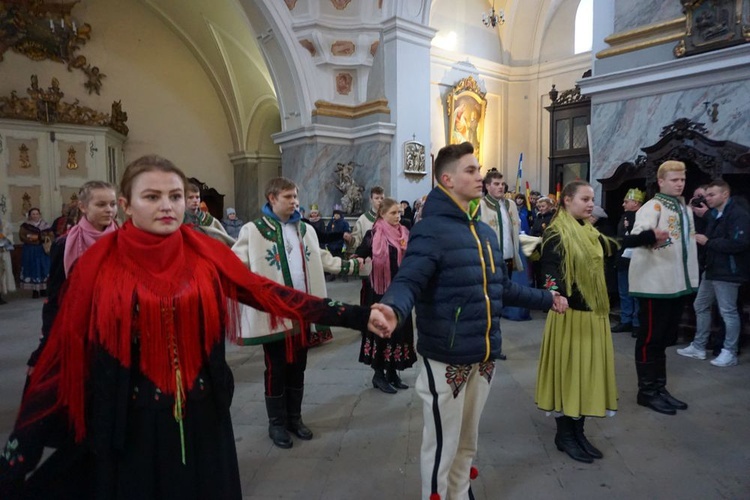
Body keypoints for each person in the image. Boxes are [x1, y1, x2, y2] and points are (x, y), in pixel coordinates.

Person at [0, 156, 391, 499]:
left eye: (174, 196)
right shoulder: (97, 265)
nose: (167, 206)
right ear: (126, 205)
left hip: (204, 416)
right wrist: (17, 458)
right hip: (133, 422)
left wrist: (356, 316)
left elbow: (272, 294)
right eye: (151, 197)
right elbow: (63, 353)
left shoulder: (206, 254)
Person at [373, 142, 566, 500]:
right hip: (447, 354)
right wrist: (392, 308)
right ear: (447, 179)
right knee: (442, 442)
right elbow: (408, 281)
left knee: (467, 439)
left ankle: (460, 492)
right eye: (471, 170)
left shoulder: (484, 232)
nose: (480, 176)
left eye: (479, 169)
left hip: (484, 351)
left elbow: (501, 287)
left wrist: (546, 297)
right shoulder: (431, 230)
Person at [231, 177, 368, 449]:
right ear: (272, 198)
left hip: (305, 313)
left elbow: (322, 258)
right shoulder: (254, 230)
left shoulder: (306, 230)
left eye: (295, 196)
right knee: (276, 368)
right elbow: (233, 263)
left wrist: (353, 267)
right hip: (274, 314)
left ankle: (295, 418)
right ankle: (277, 424)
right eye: (288, 197)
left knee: (299, 367)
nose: (295, 201)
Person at [536, 180, 618, 464]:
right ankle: (565, 435)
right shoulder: (556, 233)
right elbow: (548, 269)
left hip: (594, 315)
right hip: (569, 316)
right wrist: (554, 293)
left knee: (587, 376)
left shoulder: (590, 231)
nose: (590, 203)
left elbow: (614, 246)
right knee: (570, 376)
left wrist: (645, 238)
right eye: (584, 199)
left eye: (592, 199)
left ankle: (579, 432)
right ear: (567, 201)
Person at [624, 160, 699, 415]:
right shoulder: (652, 206)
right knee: (649, 338)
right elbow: (636, 236)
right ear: (661, 182)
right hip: (654, 283)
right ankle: (646, 391)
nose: (680, 184)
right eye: (675, 180)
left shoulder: (683, 208)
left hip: (675, 283)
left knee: (664, 339)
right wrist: (651, 237)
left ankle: (659, 387)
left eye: (682, 180)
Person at [26, 181, 119, 370]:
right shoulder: (64, 245)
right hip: (77, 329)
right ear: (82, 206)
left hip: (116, 330)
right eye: (101, 205)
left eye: (113, 204)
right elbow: (54, 298)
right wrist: (44, 347)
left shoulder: (124, 242)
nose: (109, 210)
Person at [677, 179, 750, 367]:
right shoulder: (717, 214)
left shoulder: (738, 214)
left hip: (728, 271)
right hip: (712, 269)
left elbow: (739, 243)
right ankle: (699, 346)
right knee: (700, 305)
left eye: (711, 195)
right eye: (706, 195)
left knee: (728, 312)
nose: (707, 198)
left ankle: (729, 351)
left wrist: (707, 242)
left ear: (724, 194)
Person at [356, 198, 417, 394]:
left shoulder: (405, 233)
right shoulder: (373, 234)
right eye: (393, 213)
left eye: (399, 212)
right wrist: (357, 259)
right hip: (380, 294)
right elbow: (360, 253)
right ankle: (378, 375)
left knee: (399, 331)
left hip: (401, 293)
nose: (398, 216)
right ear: (382, 214)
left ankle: (392, 372)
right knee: (382, 332)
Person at [612, 188, 645, 334]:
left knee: (636, 294)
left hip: (637, 261)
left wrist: (630, 228)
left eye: (627, 201)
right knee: (624, 292)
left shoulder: (643, 217)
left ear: (636, 203)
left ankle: (637, 323)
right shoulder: (623, 216)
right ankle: (626, 320)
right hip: (623, 261)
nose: (623, 204)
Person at [19, 208, 54, 298]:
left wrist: (41, 237)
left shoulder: (45, 225)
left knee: (43, 268)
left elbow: (51, 235)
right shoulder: (25, 226)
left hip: (42, 250)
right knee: (33, 268)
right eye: (33, 214)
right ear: (30, 215)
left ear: (39, 214)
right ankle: (35, 291)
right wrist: (36, 238)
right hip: (30, 250)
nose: (35, 215)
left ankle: (43, 289)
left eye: (36, 214)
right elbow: (23, 236)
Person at [345, 185, 385, 252]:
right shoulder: (363, 219)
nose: (380, 201)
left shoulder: (389, 217)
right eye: (377, 198)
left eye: (382, 198)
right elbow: (357, 241)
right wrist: (351, 240)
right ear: (371, 199)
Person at [0, 214, 16, 305]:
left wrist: (4, 236)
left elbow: (10, 236)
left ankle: (1, 294)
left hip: (4, 250)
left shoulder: (5, 223)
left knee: (4, 273)